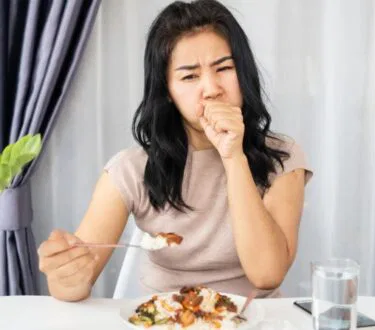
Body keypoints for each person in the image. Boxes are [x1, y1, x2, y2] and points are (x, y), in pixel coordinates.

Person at [38, 0, 312, 302]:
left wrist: (233, 157)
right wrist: (66, 276)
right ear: (167, 92)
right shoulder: (130, 169)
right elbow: (77, 281)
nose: (211, 88)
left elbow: (267, 275)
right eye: (189, 76)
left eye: (224, 68)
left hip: (257, 320)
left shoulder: (282, 157)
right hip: (165, 319)